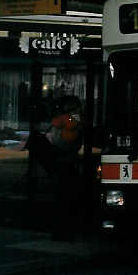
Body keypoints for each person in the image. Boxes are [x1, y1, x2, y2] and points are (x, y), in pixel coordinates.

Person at [50, 97, 83, 240]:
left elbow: (59, 134)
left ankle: (61, 230)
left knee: (63, 196)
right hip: (69, 159)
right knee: (68, 196)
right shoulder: (73, 119)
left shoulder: (63, 120)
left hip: (63, 159)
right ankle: (66, 230)